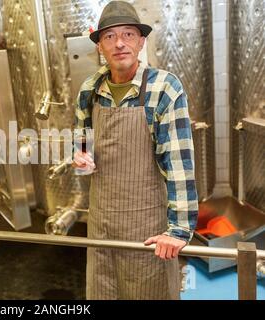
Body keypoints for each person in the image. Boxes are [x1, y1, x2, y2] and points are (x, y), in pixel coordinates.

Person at [73, 1, 198, 300]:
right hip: (101, 226)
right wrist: (80, 160)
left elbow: (178, 163)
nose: (119, 43)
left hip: (146, 228)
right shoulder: (89, 90)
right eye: (109, 36)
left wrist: (178, 231)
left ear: (141, 42)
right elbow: (82, 147)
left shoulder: (165, 88)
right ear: (99, 46)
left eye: (128, 34)